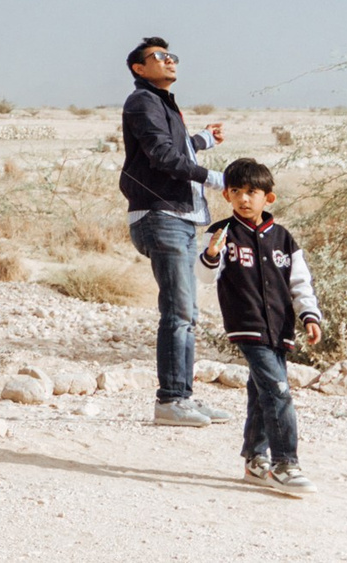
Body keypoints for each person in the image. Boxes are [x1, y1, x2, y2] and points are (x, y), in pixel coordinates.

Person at [120, 35, 227, 427]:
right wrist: (216, 178)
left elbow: (175, 145)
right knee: (178, 312)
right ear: (139, 68)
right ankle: (170, 401)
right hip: (161, 215)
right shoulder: (142, 101)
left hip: (179, 217)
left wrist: (203, 140)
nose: (169, 60)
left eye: (172, 55)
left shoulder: (161, 103)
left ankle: (183, 396)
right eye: (159, 56)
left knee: (187, 312)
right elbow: (162, 155)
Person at [202, 158, 322, 497]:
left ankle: (255, 460)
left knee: (261, 391)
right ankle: (285, 464)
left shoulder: (283, 238)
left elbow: (300, 283)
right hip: (247, 325)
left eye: (252, 192)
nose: (244, 198)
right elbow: (205, 275)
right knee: (278, 390)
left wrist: (309, 316)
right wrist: (211, 254)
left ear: (268, 197)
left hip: (280, 328)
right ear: (226, 195)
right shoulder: (221, 233)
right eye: (236, 191)